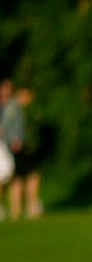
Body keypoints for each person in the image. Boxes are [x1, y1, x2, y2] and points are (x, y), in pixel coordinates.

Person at [1, 83, 41, 219]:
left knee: (19, 178)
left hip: (20, 146)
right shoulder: (14, 107)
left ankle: (20, 210)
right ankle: (24, 209)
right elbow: (5, 127)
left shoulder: (19, 108)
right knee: (25, 177)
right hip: (17, 147)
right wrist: (14, 139)